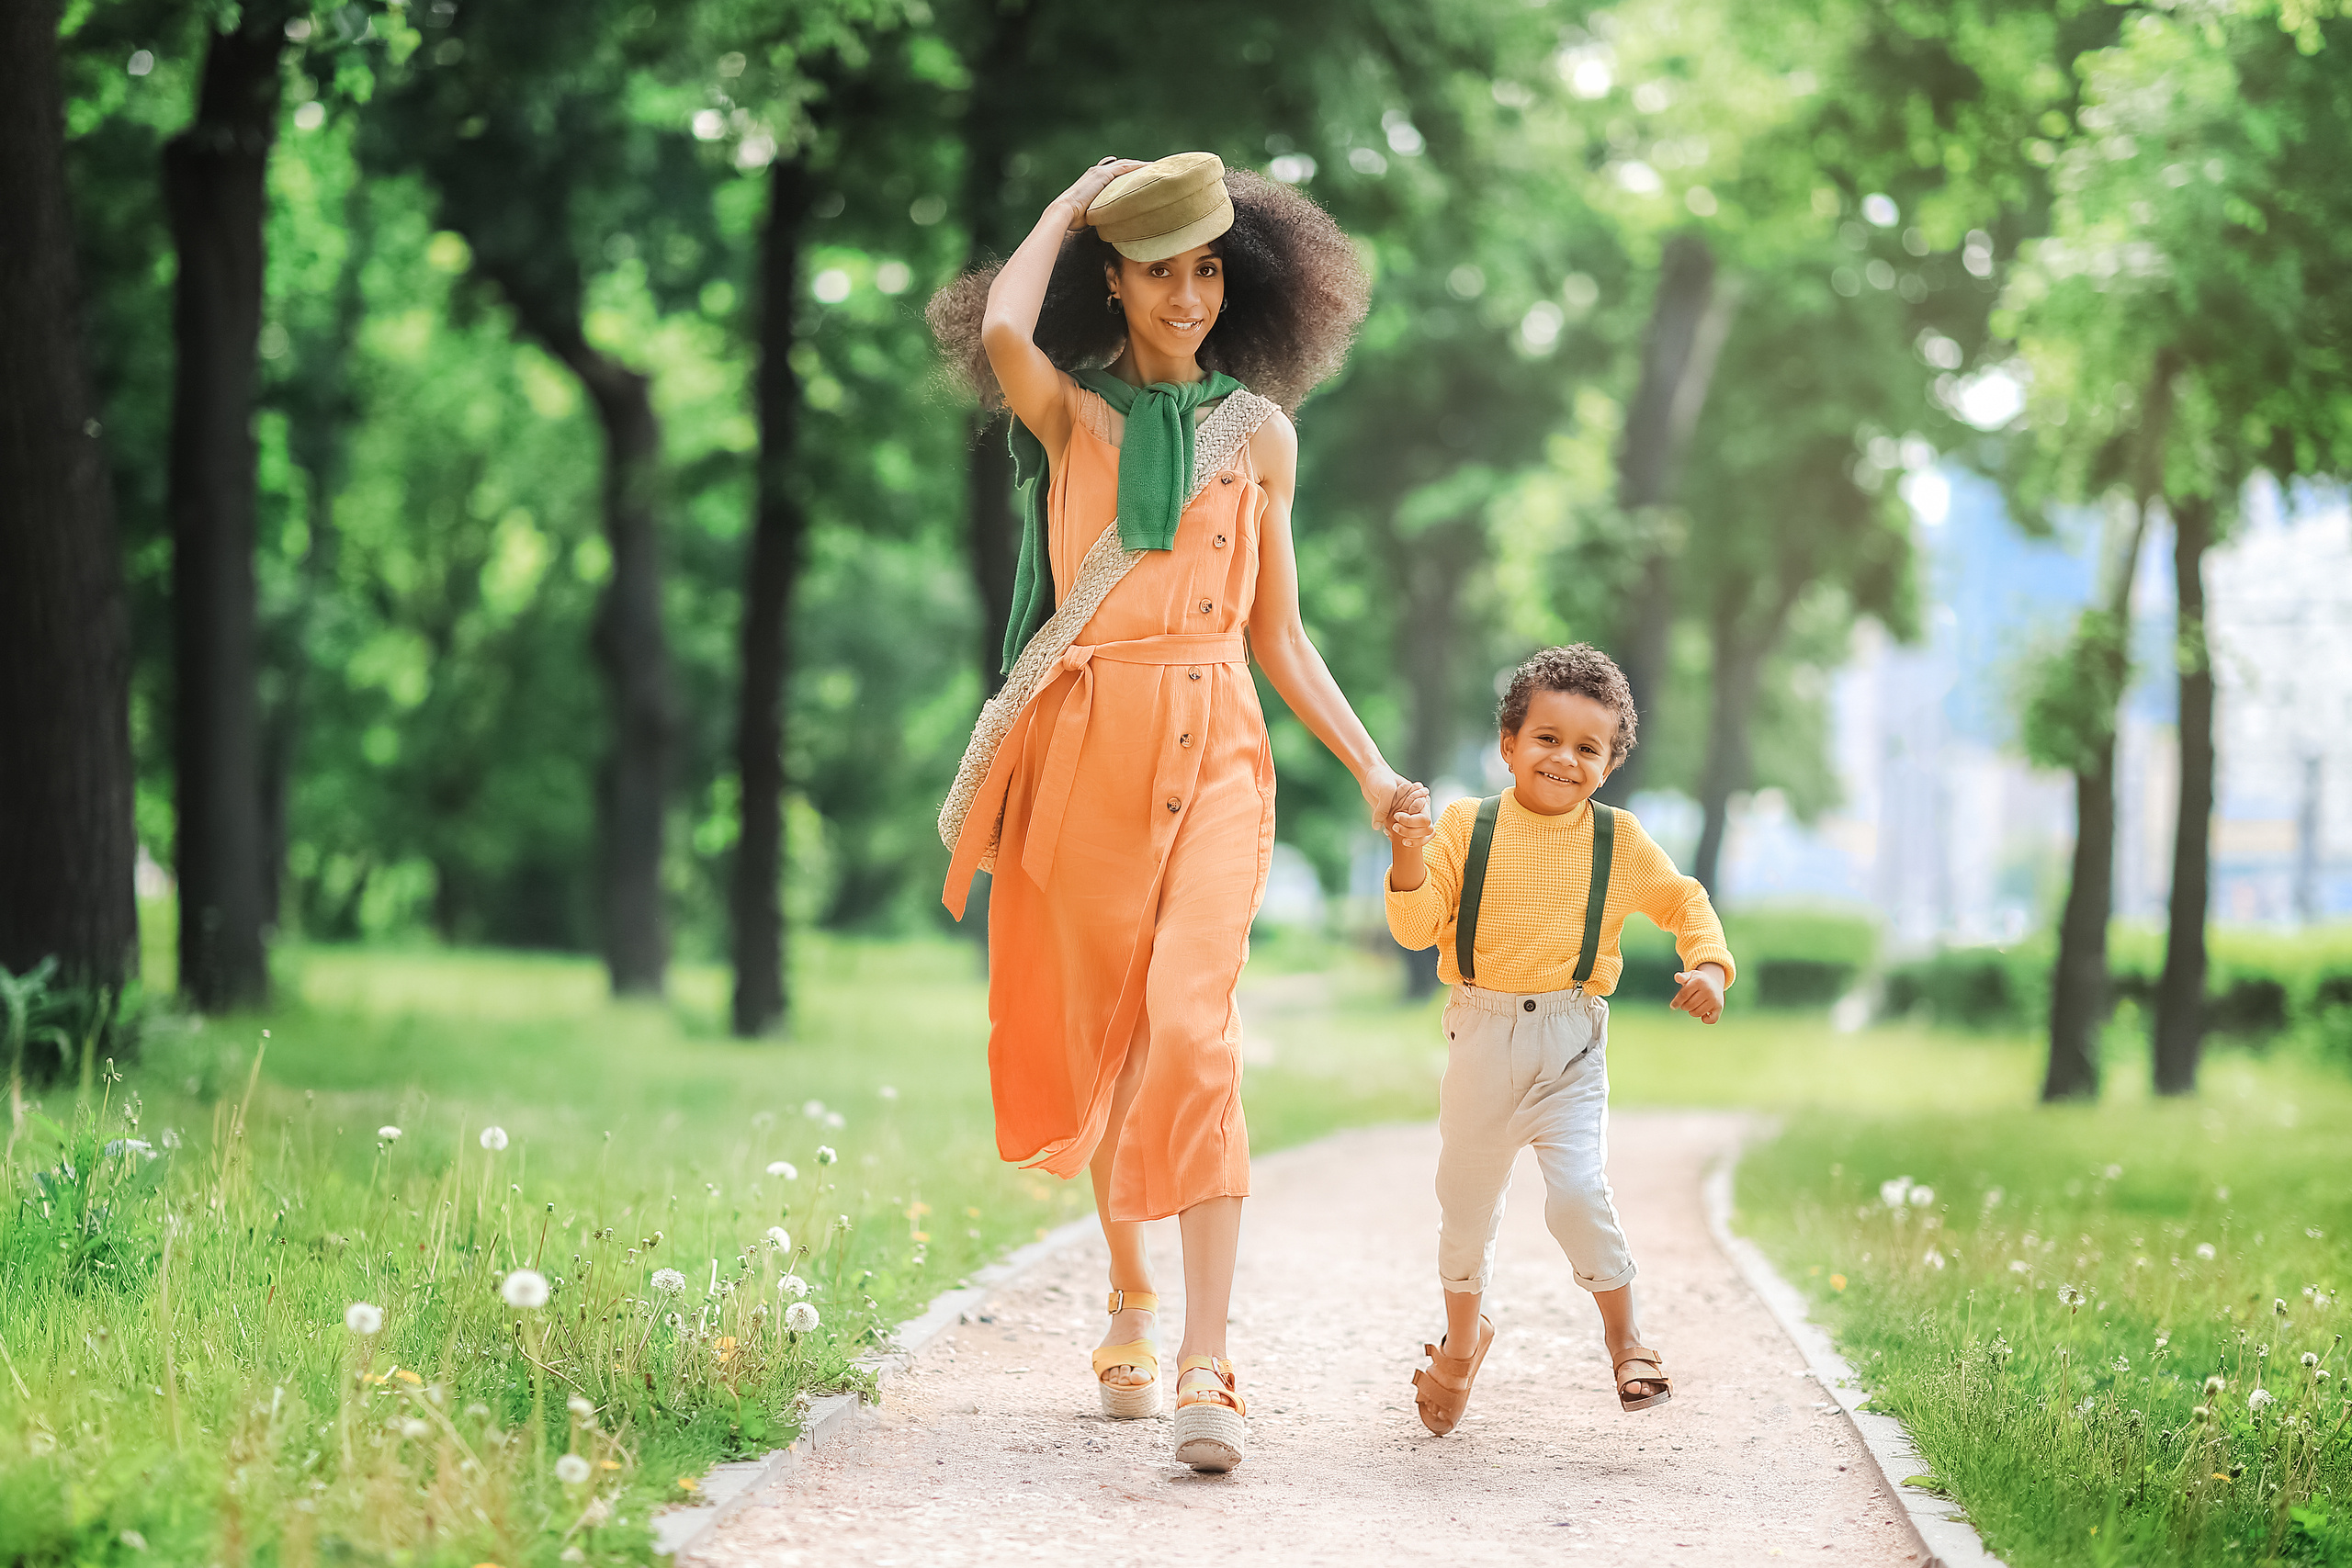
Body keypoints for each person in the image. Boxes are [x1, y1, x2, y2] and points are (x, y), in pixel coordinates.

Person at [930, 152, 1415, 1472]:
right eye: (1160, 269)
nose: (1191, 295)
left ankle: (1209, 1356)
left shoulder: (1259, 434)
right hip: (1086, 752)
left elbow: (1284, 636)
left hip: (1218, 758)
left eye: (1210, 268)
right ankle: (1130, 1298)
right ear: (1116, 277)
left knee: (1196, 1028)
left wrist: (1374, 771)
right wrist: (1064, 203)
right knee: (1119, 1043)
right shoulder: (1071, 417)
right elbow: (998, 329)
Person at [1383, 644, 1735, 1433]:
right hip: (1480, 1033)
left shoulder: (1619, 841)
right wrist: (1408, 856)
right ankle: (1463, 1344)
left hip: (1571, 1042)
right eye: (1546, 738)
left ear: (1608, 764)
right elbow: (1415, 926)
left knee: (1578, 1192)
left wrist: (1708, 965)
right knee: (1464, 1208)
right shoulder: (1465, 826)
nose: (1564, 758)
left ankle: (1626, 1337)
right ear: (1508, 743)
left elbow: (1685, 900)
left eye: (1587, 747)